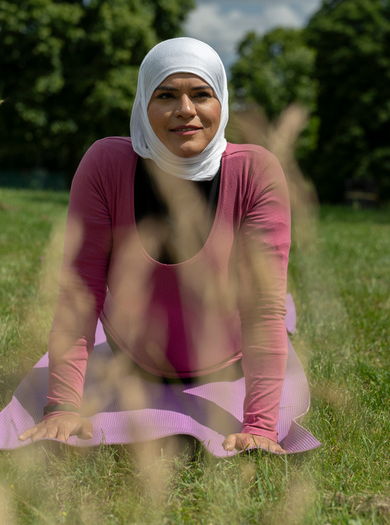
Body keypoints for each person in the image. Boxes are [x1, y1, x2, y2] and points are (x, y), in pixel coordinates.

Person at [15, 37, 297, 454]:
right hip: (132, 358)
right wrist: (61, 407)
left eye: (202, 94)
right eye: (166, 95)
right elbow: (80, 291)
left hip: (226, 361)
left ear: (221, 103)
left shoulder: (255, 172)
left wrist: (260, 425)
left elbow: (263, 307)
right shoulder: (106, 165)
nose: (185, 110)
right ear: (144, 103)